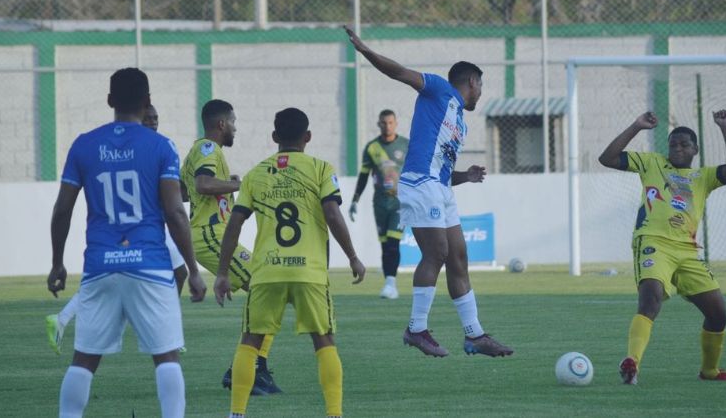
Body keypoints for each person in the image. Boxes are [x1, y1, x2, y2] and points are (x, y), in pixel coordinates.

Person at [344, 26, 513, 358]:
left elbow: (443, 170)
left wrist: (466, 175)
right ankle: (416, 328)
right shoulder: (438, 89)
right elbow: (401, 73)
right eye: (481, 86)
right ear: (473, 82)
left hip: (438, 188)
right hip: (419, 184)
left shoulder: (459, 122)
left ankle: (474, 335)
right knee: (436, 253)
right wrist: (366, 51)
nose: (480, 93)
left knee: (458, 257)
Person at [47, 67, 207, 418]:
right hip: (149, 264)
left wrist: (57, 262)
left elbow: (62, 211)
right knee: (166, 356)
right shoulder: (161, 146)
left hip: (100, 264)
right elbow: (175, 213)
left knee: (84, 359)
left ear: (109, 101)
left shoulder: (84, 145)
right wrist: (193, 270)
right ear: (147, 101)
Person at [214, 107, 366, 418]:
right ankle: (334, 414)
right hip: (308, 271)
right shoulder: (321, 169)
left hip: (267, 271)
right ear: (307, 137)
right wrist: (352, 256)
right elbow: (333, 214)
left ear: (274, 138)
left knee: (250, 340)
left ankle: (237, 414)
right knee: (323, 340)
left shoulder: (257, 173)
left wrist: (221, 272)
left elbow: (234, 224)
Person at [598, 110, 726, 385]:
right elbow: (607, 158)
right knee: (650, 300)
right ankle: (632, 363)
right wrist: (636, 126)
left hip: (688, 252)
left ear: (695, 150)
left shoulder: (703, 177)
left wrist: (725, 127)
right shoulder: (652, 163)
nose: (677, 149)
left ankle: (710, 372)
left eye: (684, 145)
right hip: (653, 243)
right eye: (673, 144)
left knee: (718, 314)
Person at [45, 105, 192, 355]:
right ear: (138, 118)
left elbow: (175, 194)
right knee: (178, 273)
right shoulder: (153, 149)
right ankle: (162, 330)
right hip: (145, 232)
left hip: (149, 228)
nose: (153, 122)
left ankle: (62, 317)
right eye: (149, 118)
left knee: (174, 274)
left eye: (156, 118)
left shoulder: (153, 147)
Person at [180, 99, 281, 395]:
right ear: (221, 124)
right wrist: (241, 186)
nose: (235, 128)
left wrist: (226, 184)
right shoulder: (208, 149)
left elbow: (187, 191)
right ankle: (250, 369)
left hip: (212, 234)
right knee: (268, 287)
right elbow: (202, 185)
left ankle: (250, 368)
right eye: (233, 122)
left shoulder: (201, 151)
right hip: (211, 234)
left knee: (268, 289)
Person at [348, 109, 409, 299]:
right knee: (385, 245)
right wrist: (355, 200)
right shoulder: (372, 148)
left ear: (396, 123)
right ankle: (389, 284)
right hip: (380, 203)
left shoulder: (406, 145)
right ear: (378, 124)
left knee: (393, 243)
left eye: (390, 122)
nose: (387, 126)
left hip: (400, 203)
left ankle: (391, 283)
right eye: (383, 123)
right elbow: (364, 176)